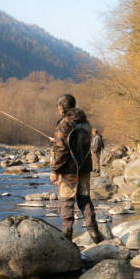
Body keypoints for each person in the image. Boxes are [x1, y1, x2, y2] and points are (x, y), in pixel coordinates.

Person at [50, 94, 104, 244]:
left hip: (69, 170)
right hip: (84, 168)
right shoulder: (85, 123)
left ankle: (67, 237)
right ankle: (94, 232)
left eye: (58, 106)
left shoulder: (64, 124)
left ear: (61, 108)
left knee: (67, 201)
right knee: (84, 199)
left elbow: (61, 150)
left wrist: (55, 171)